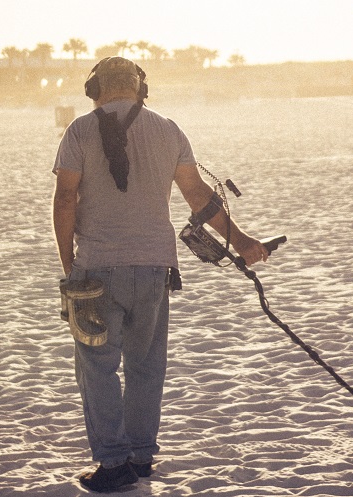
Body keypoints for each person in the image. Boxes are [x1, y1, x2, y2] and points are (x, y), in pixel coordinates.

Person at [52, 57, 268, 492]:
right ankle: (141, 455)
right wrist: (241, 240)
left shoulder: (78, 130)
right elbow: (198, 196)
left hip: (97, 267)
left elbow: (65, 200)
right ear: (140, 89)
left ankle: (114, 464)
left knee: (97, 367)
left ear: (95, 89)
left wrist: (68, 264)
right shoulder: (167, 129)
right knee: (146, 364)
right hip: (154, 268)